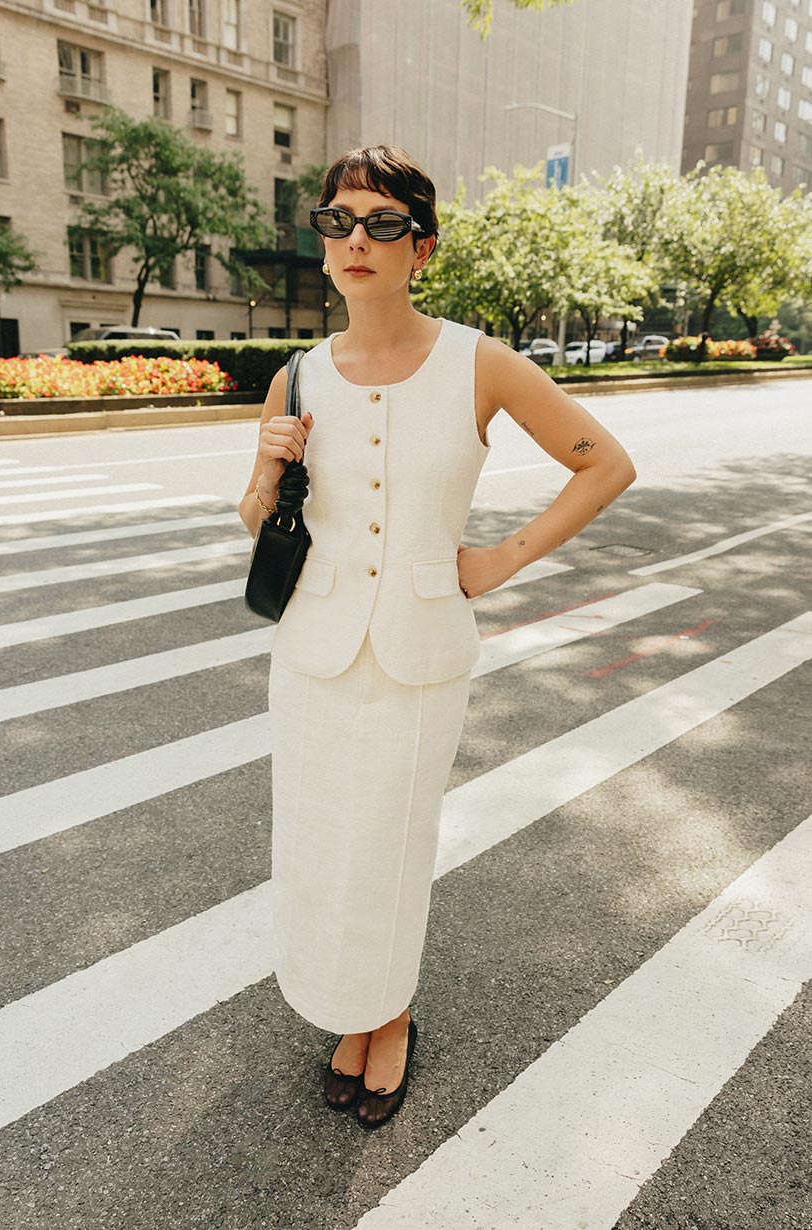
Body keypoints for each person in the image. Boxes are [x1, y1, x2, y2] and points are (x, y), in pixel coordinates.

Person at [238, 145, 636, 1129]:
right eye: (338, 223)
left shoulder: (478, 361)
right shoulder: (295, 377)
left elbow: (604, 464)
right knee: (323, 843)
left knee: (392, 841)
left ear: (420, 248)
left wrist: (501, 558)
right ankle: (345, 1007)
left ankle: (390, 1013)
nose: (356, 240)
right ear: (323, 246)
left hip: (418, 652)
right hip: (313, 650)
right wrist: (263, 462)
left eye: (380, 223)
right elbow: (260, 520)